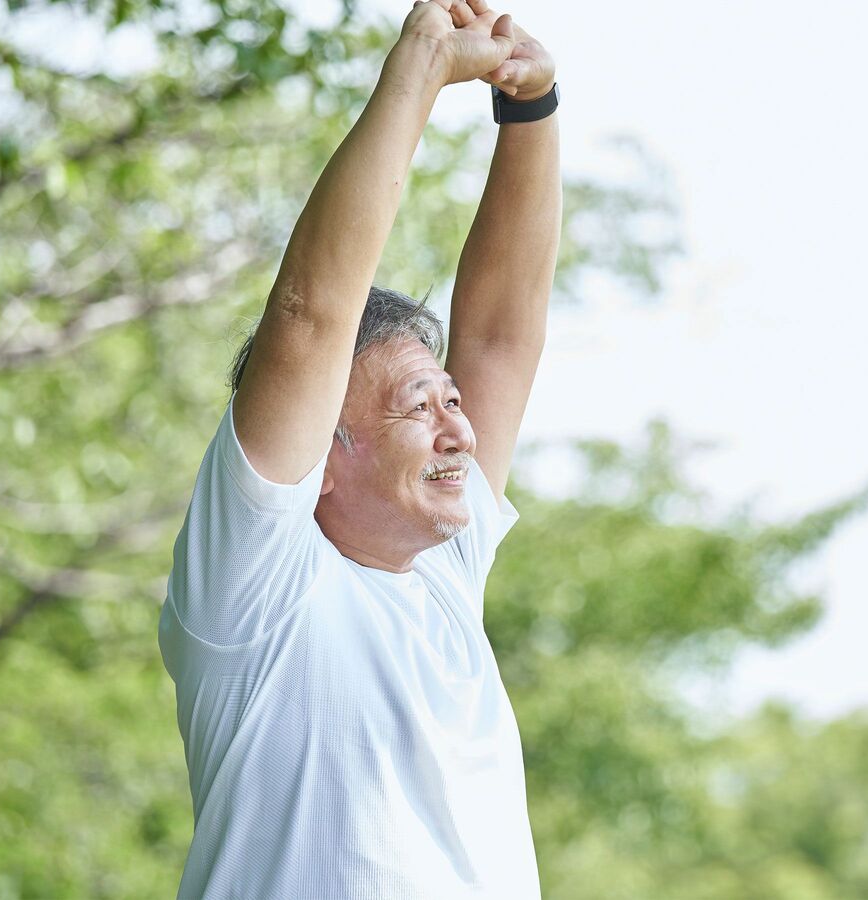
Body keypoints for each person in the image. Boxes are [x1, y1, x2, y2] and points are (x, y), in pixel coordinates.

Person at [156, 1, 558, 895]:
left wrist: (530, 107)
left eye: (451, 401)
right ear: (324, 449)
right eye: (423, 405)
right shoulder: (256, 587)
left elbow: (497, 339)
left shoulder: (444, 566)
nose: (462, 429)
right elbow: (307, 319)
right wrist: (416, 73)